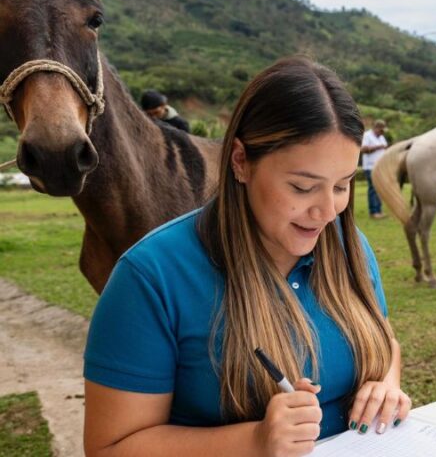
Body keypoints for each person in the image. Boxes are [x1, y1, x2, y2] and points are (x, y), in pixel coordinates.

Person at [84, 58, 411, 455]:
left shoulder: (349, 245)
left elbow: (385, 339)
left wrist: (386, 384)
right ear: (240, 161)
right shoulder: (152, 276)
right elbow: (109, 448)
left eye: (342, 186)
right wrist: (254, 440)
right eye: (303, 187)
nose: (327, 213)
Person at [360, 119, 388, 220]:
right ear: (376, 128)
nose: (382, 132)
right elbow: (362, 149)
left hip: (380, 168)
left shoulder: (381, 137)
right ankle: (374, 211)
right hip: (370, 167)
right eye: (381, 130)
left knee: (379, 189)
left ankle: (379, 210)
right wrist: (377, 147)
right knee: (373, 189)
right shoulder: (367, 136)